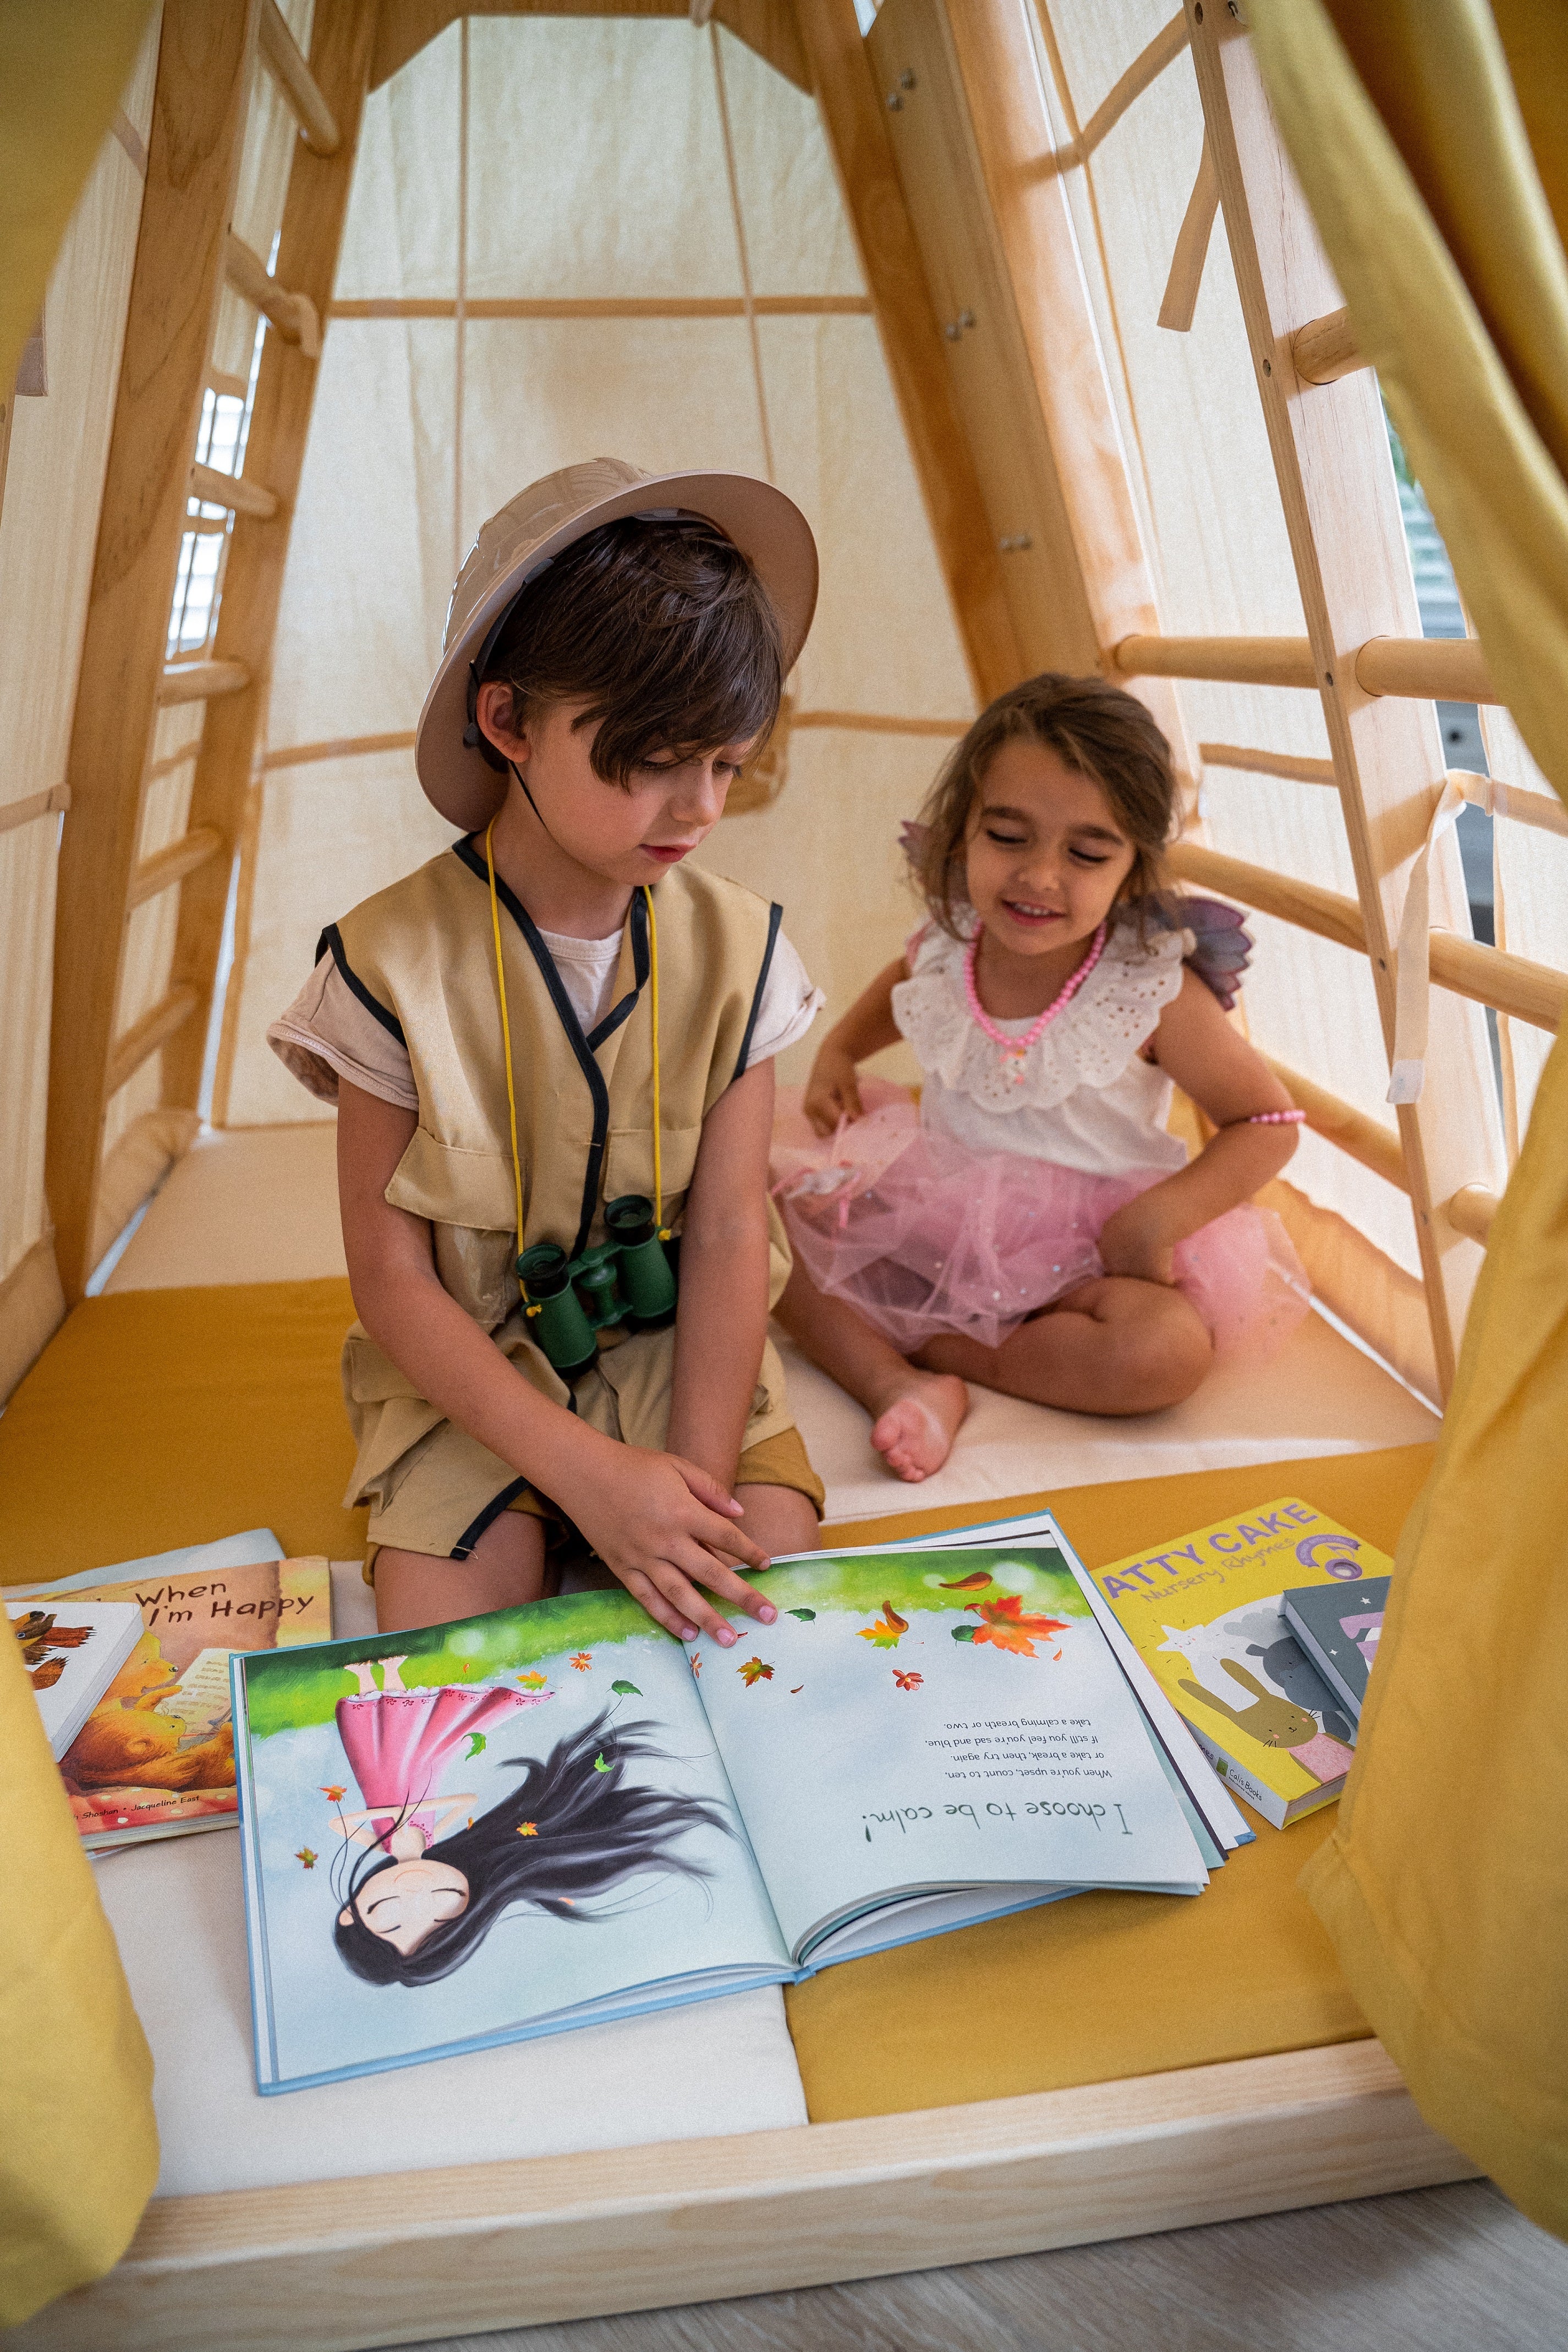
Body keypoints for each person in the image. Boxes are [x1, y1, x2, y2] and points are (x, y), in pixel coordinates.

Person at [268, 459, 826, 1636]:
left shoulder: (747, 954)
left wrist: (688, 1490)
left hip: (681, 1364)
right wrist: (589, 1479)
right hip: (470, 1387)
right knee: (456, 1649)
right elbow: (394, 1284)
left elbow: (731, 1234)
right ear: (509, 721)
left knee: (764, 1604)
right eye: (655, 759)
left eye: (727, 763)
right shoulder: (383, 968)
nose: (700, 808)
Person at [772, 673, 1309, 1483]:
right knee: (766, 1231)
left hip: (1091, 1265)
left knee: (1161, 1354)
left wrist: (1159, 1220)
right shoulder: (948, 943)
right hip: (939, 1233)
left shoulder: (1148, 988)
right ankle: (899, 1383)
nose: (1040, 876)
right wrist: (838, 1053)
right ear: (962, 831)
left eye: (1086, 853)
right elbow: (901, 984)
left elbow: (1267, 1124)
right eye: (1008, 836)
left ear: (1132, 867)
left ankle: (935, 1349)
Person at [330, 1669, 732, 1988]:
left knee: (391, 1742)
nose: (418, 1895)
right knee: (424, 1741)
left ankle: (382, 1686)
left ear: (351, 1913)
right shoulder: (441, 1842)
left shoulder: (386, 1842)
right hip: (422, 1779)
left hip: (389, 1781)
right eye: (442, 1912)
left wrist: (408, 1811)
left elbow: (346, 1822)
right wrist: (425, 1808)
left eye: (392, 1915)